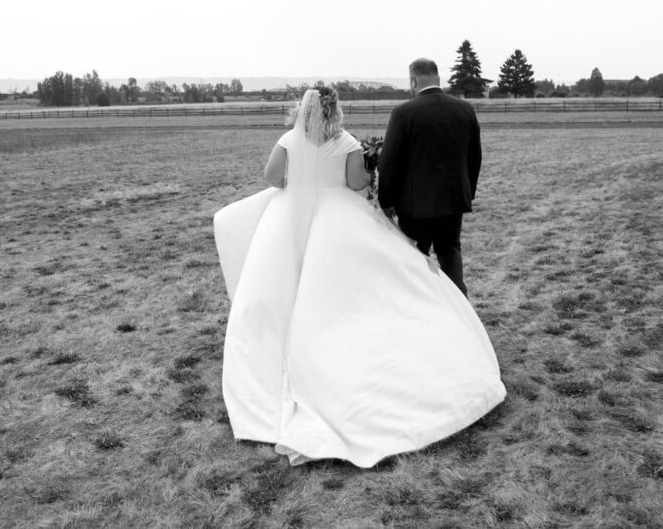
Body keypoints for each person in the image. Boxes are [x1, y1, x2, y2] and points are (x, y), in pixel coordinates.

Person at [213, 85, 505, 468]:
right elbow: (356, 184)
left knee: (283, 278)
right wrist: (367, 164)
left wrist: (299, 181)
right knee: (345, 284)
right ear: (336, 111)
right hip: (337, 219)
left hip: (287, 219)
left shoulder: (288, 140)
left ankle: (280, 337)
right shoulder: (346, 141)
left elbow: (272, 178)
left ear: (303, 110)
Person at [377, 58, 481, 296]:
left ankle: (422, 306)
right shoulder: (464, 109)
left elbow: (389, 161)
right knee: (450, 251)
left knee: (415, 257)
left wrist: (386, 202)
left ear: (413, 80)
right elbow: (475, 157)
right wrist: (467, 192)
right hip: (454, 199)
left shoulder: (404, 112)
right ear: (438, 78)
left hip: (415, 206)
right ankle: (459, 306)